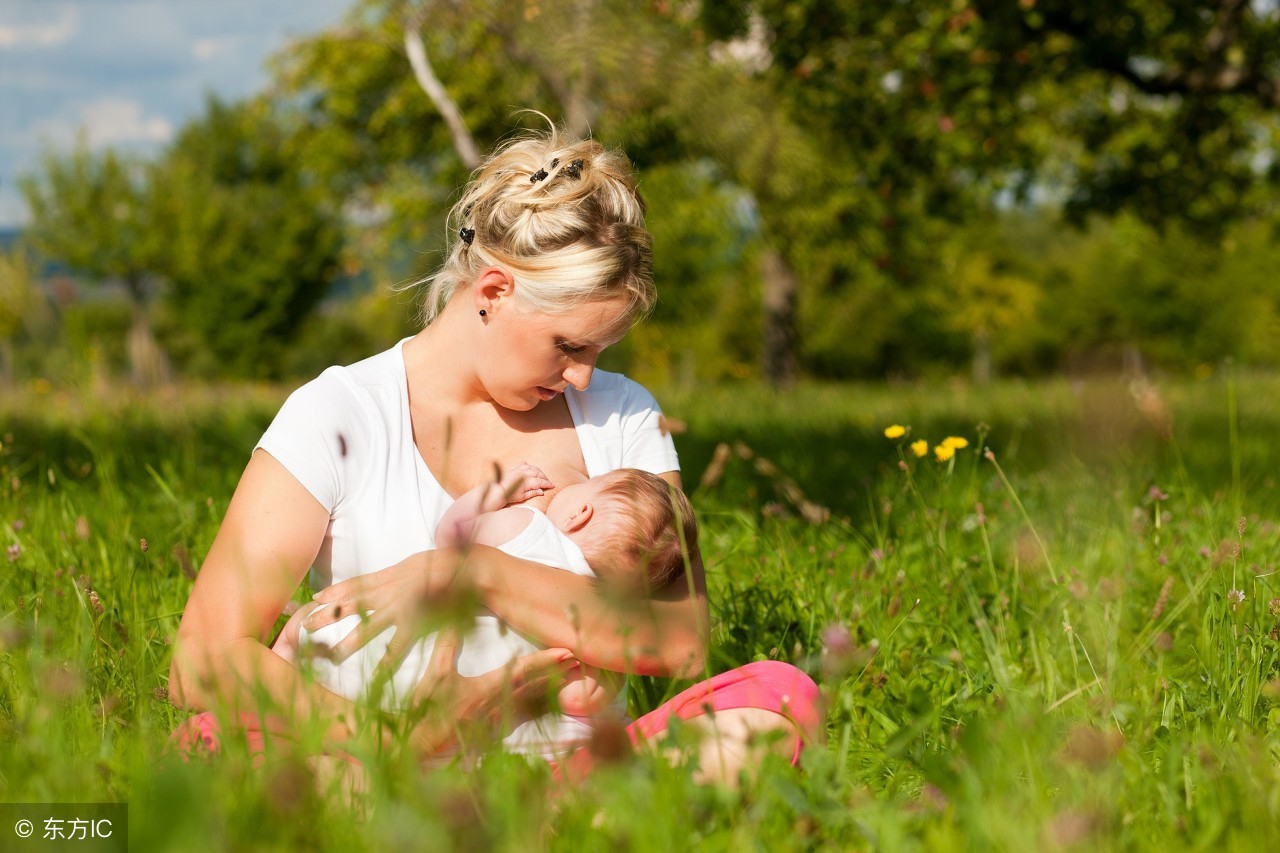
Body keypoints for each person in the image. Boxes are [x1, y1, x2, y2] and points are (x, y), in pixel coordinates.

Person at [169, 122, 821, 783]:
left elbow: (678, 640)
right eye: (569, 346)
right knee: (220, 739)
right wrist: (401, 735)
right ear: (493, 292)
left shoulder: (624, 415)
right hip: (379, 760)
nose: (584, 377)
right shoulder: (341, 413)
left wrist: (478, 574)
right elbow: (204, 659)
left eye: (600, 352)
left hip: (567, 769)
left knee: (779, 698)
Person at [272, 463, 697, 756]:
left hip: (397, 660)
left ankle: (278, 669)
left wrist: (495, 495)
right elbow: (580, 697)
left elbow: (450, 536)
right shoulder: (602, 617)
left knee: (303, 630)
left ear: (580, 513)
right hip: (471, 707)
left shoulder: (528, 528)